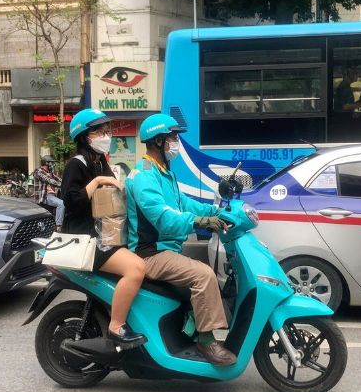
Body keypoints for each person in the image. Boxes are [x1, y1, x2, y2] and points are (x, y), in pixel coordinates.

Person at [125, 113, 237, 366]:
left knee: (203, 274)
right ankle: (206, 342)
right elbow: (163, 217)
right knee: (203, 274)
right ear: (158, 141)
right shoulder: (143, 175)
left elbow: (183, 203)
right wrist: (200, 222)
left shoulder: (164, 172)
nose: (176, 142)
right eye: (173, 137)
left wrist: (215, 211)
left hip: (167, 249)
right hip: (150, 253)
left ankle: (192, 329)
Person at [63, 108, 147, 346]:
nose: (105, 135)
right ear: (84, 136)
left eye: (106, 130)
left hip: (103, 235)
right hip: (86, 240)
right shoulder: (77, 165)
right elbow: (72, 202)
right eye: (98, 131)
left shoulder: (99, 162)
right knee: (136, 269)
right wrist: (98, 181)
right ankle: (116, 326)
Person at [33, 155, 64, 230]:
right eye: (51, 162)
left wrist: (67, 182)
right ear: (46, 163)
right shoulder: (38, 172)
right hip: (45, 196)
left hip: (52, 195)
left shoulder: (50, 172)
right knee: (61, 204)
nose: (53, 164)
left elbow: (58, 179)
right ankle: (59, 226)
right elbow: (49, 180)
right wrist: (61, 185)